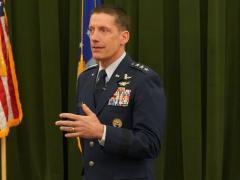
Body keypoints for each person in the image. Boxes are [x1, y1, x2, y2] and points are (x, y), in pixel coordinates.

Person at [55, 4, 166, 180]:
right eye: (91, 30)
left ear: (124, 37)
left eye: (104, 30)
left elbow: (150, 143)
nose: (94, 38)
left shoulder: (143, 80)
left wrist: (102, 132)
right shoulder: (85, 78)